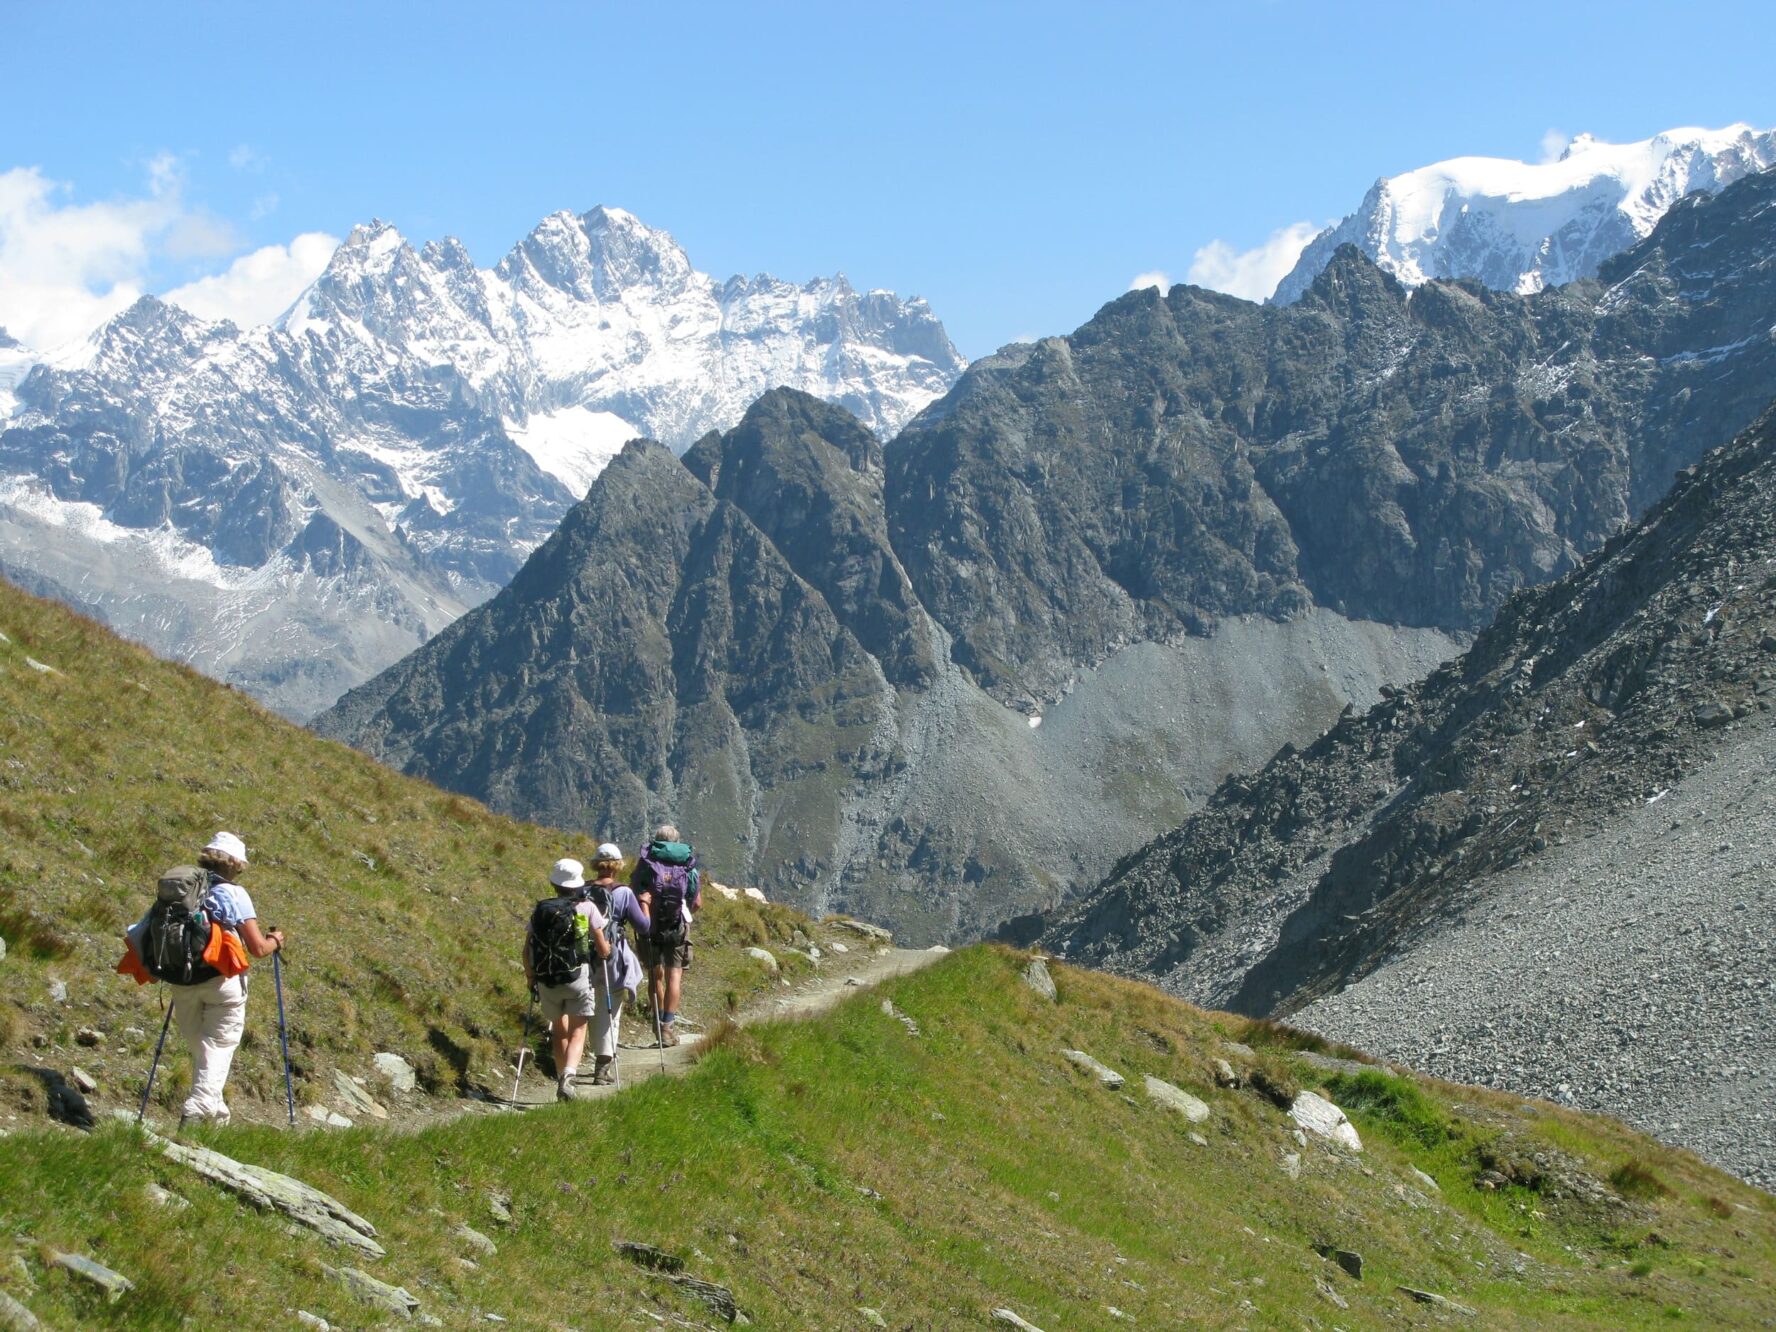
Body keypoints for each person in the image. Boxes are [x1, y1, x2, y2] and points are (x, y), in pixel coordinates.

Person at [122, 832, 285, 1127]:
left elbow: (139, 929)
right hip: (222, 979)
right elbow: (258, 948)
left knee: (204, 1048)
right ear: (235, 864)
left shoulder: (182, 889)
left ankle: (218, 1117)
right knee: (220, 1044)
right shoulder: (234, 893)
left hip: (181, 978)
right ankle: (197, 1112)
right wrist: (276, 940)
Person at [522, 858, 610, 1101]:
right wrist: (606, 950)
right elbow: (602, 949)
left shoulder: (541, 910)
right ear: (578, 883)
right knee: (578, 1030)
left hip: (547, 978)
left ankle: (562, 1078)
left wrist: (531, 977)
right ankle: (569, 1078)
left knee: (559, 1031)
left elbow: (526, 950)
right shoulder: (587, 907)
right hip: (577, 976)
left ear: (554, 884)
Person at [584, 842, 650, 1085]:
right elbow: (643, 927)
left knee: (585, 1006)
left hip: (583, 956)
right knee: (610, 1010)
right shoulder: (624, 893)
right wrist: (645, 903)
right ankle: (602, 1068)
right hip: (612, 956)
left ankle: (568, 1065)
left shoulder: (582, 890)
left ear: (596, 865)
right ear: (617, 866)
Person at [631, 824, 700, 1048]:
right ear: (677, 841)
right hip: (676, 924)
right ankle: (668, 1026)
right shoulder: (687, 864)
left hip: (650, 924)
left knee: (655, 975)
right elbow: (696, 901)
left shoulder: (647, 862)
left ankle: (657, 1021)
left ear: (657, 840)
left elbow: (636, 890)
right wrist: (684, 911)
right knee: (675, 975)